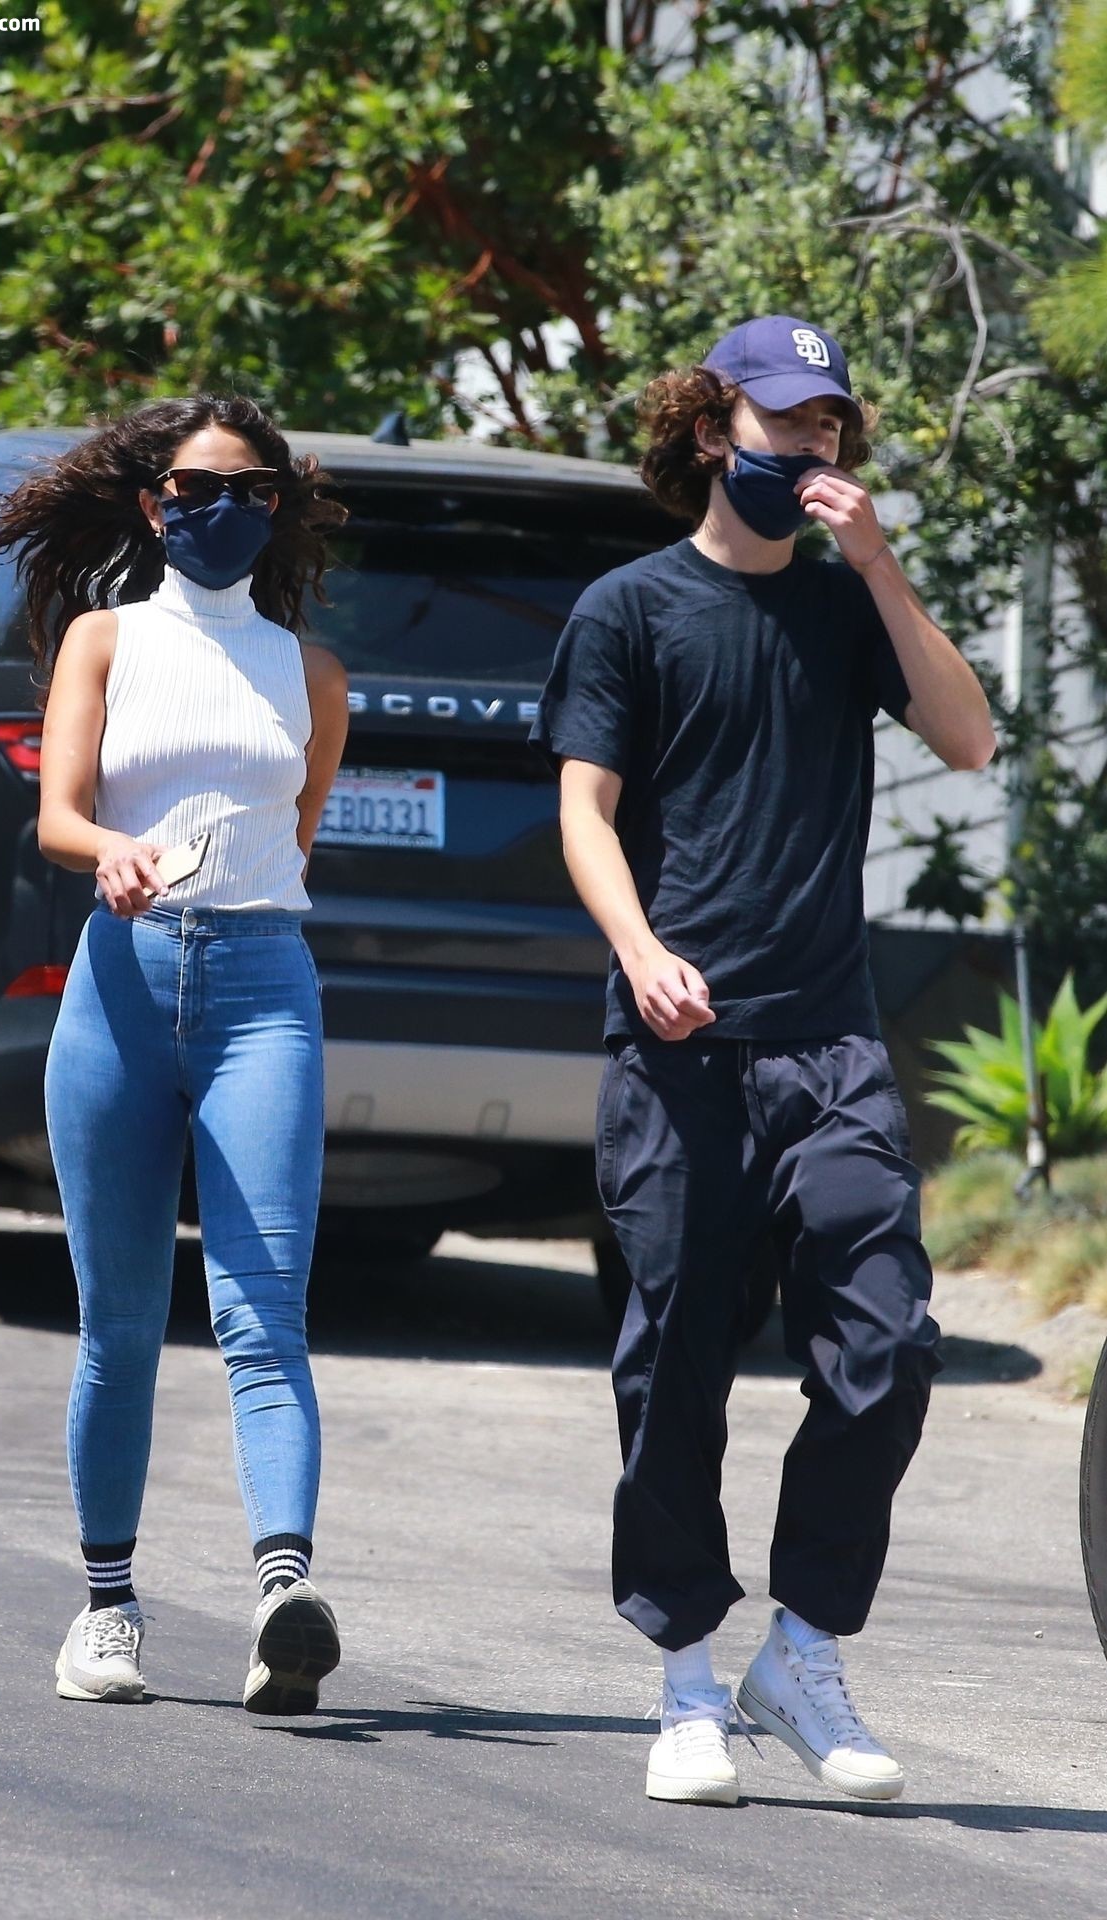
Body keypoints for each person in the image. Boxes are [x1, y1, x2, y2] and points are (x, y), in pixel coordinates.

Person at [531, 315, 996, 1805]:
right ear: (711, 426)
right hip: (678, 1050)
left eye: (826, 427)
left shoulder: (848, 606)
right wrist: (638, 948)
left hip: (829, 1041)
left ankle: (799, 1652)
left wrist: (879, 564)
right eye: (782, 422)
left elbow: (969, 740)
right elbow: (585, 809)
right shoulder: (629, 608)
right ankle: (682, 1679)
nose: (807, 447)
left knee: (888, 1346)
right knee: (673, 1363)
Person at [0, 394, 349, 1710]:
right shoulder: (106, 638)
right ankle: (107, 1610)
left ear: (275, 506)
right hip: (121, 988)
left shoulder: (310, 675)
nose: (223, 511)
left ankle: (282, 1596)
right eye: (197, 490)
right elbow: (60, 816)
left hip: (263, 988)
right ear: (153, 505)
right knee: (121, 1325)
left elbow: (292, 840)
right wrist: (117, 851)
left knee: (266, 1309)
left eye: (251, 491)